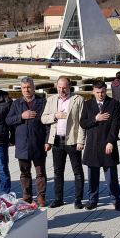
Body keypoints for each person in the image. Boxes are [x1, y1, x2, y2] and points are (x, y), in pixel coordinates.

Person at [42, 76, 86, 208]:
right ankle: (58, 198)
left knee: (77, 171)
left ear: (70, 87)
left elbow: (82, 123)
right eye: (60, 87)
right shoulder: (51, 100)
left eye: (65, 88)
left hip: (72, 141)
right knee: (57, 171)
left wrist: (81, 141)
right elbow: (43, 119)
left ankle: (78, 200)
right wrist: (55, 116)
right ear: (56, 87)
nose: (62, 90)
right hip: (56, 141)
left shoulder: (78, 100)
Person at [79, 81, 120, 210]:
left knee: (111, 177)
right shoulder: (88, 104)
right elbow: (83, 123)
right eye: (97, 92)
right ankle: (93, 200)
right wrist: (95, 119)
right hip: (92, 146)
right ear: (93, 92)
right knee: (92, 177)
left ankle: (115, 199)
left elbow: (115, 124)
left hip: (108, 144)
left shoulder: (113, 103)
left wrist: (111, 141)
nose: (100, 95)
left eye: (102, 92)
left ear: (106, 90)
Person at [7, 77, 48, 206]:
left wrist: (48, 141)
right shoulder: (16, 103)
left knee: (40, 172)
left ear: (34, 88)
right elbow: (8, 120)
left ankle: (41, 196)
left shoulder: (42, 102)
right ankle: (27, 195)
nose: (26, 90)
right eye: (24, 88)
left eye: (29, 87)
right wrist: (21, 116)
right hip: (22, 144)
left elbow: (48, 124)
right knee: (24, 172)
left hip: (38, 142)